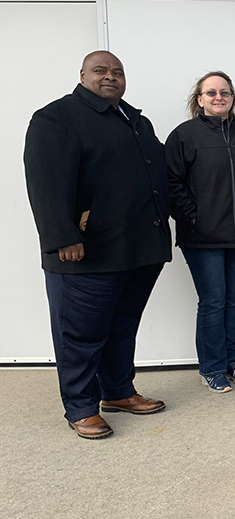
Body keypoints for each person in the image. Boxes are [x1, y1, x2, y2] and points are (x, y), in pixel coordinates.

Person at [23, 50, 171, 439]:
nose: (110, 77)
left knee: (121, 328)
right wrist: (63, 237)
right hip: (87, 252)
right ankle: (81, 407)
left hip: (138, 249)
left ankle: (118, 391)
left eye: (117, 71)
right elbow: (46, 184)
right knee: (81, 335)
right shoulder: (57, 118)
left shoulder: (136, 120)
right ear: (83, 75)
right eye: (101, 70)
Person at [165, 71, 235, 394]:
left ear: (232, 98)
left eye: (225, 92)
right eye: (212, 93)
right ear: (200, 99)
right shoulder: (185, 135)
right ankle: (212, 367)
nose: (219, 97)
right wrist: (193, 217)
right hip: (202, 238)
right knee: (214, 302)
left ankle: (234, 361)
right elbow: (171, 183)